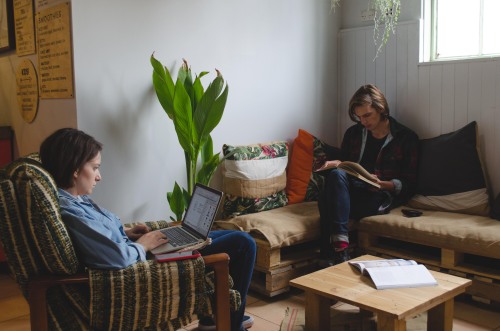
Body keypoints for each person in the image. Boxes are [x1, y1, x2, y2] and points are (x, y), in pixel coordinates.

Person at [39, 128, 256, 331]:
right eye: (95, 168)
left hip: (139, 252)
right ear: (75, 169)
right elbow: (116, 258)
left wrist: (126, 233)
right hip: (140, 268)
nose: (99, 176)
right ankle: (231, 324)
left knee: (218, 236)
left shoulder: (76, 200)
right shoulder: (72, 213)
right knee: (244, 244)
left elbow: (101, 238)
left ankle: (215, 317)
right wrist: (143, 244)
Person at [318, 84, 419, 266]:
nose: (363, 122)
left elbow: (409, 183)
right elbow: (345, 166)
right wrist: (336, 164)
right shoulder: (353, 134)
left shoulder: (406, 137)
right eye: (359, 117)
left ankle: (330, 255)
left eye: (367, 115)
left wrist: (383, 184)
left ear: (380, 109)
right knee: (335, 176)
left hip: (378, 195)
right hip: (350, 193)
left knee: (328, 199)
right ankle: (340, 249)